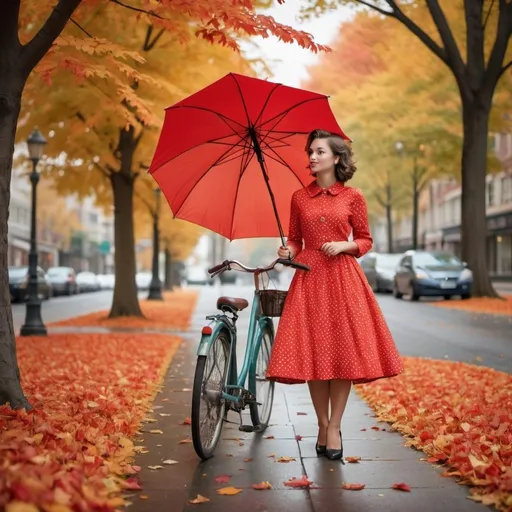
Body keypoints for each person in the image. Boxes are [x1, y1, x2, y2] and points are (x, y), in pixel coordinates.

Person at [266, 129, 404, 462]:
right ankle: (322, 423)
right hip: (309, 278)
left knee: (343, 354)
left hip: (343, 277)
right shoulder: (299, 197)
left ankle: (335, 427)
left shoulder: (353, 197)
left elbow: (366, 240)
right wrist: (288, 250)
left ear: (336, 157)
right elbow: (297, 240)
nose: (312, 157)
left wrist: (346, 245)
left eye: (319, 152)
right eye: (310, 152)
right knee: (316, 354)